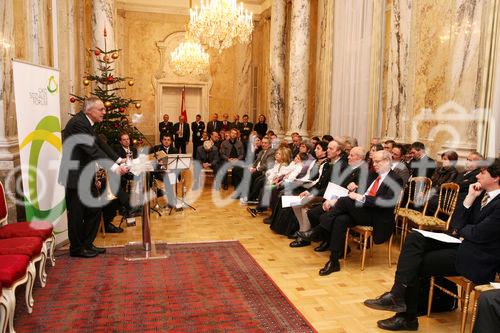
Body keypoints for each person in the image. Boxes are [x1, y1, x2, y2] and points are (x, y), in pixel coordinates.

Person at [363, 158, 500, 331]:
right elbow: (454, 226)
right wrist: (470, 198)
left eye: (482, 172)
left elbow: (478, 233)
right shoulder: (479, 194)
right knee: (415, 237)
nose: (478, 176)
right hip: (463, 246)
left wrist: (462, 230)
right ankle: (398, 295)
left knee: (417, 262)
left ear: (496, 178)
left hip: (479, 258)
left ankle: (407, 314)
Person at [299, 150, 403, 275]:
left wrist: (361, 198)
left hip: (377, 216)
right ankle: (334, 261)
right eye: (373, 161)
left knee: (344, 202)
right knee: (340, 220)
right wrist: (356, 188)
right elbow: (361, 192)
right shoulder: (373, 175)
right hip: (362, 211)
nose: (374, 164)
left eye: (377, 161)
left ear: (387, 161)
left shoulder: (396, 179)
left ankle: (318, 230)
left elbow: (387, 202)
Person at [59, 96, 128, 258]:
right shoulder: (78, 124)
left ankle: (87, 244)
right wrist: (114, 167)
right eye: (101, 109)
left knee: (95, 209)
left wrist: (119, 160)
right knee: (77, 214)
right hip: (75, 176)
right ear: (89, 110)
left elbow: (100, 144)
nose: (104, 112)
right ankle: (77, 249)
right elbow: (92, 150)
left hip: (85, 174)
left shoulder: (87, 123)